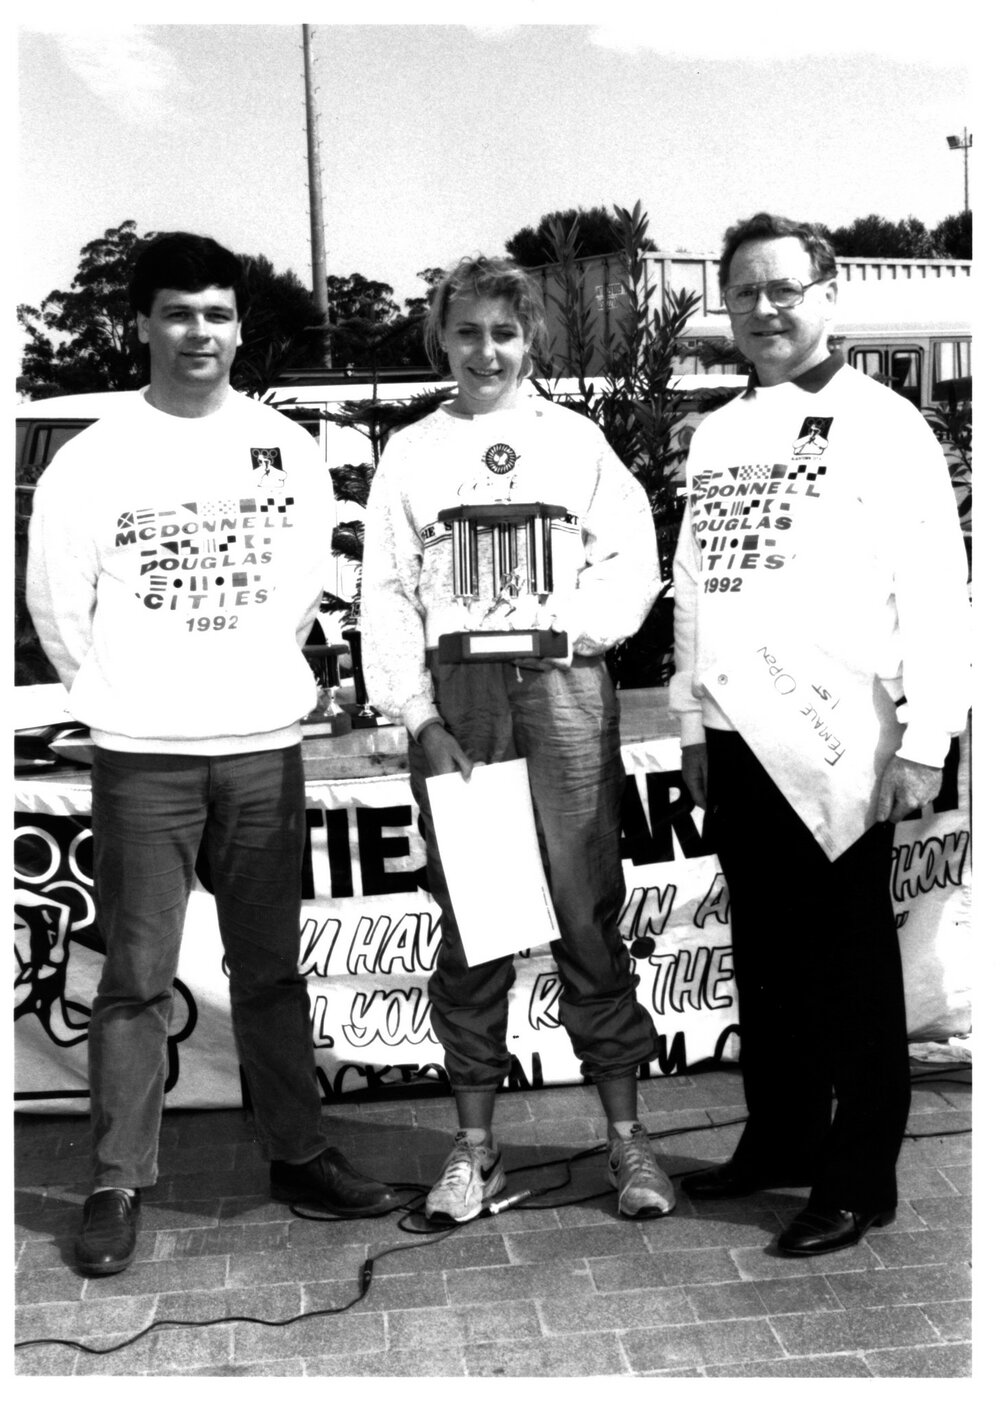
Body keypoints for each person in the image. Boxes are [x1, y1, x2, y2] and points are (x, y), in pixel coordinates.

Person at [27, 233, 401, 1277]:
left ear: (241, 329)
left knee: (270, 970)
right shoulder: (93, 457)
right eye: (180, 313)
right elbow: (58, 610)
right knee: (136, 978)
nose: (201, 332)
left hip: (260, 749)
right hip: (143, 755)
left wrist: (239, 679)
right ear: (142, 325)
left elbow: (299, 590)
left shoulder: (285, 445)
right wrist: (131, 695)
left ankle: (298, 1151)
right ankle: (117, 1180)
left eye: (219, 315)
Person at [669, 213, 971, 1256]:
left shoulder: (886, 424)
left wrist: (929, 738)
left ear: (828, 296)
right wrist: (692, 720)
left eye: (783, 289)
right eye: (744, 292)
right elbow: (696, 584)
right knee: (765, 956)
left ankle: (858, 1179)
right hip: (737, 732)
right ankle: (783, 1137)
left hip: (841, 735)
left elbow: (936, 591)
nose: (763, 309)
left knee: (849, 967)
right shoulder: (716, 432)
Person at [360, 255, 676, 1224]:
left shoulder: (573, 440)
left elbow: (632, 557)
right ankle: (475, 1147)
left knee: (585, 911)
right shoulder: (413, 451)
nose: (485, 351)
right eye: (466, 332)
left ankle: (626, 1137)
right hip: (464, 704)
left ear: (530, 338)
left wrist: (577, 627)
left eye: (503, 332)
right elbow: (387, 593)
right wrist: (417, 717)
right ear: (440, 339)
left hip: (562, 690)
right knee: (475, 922)